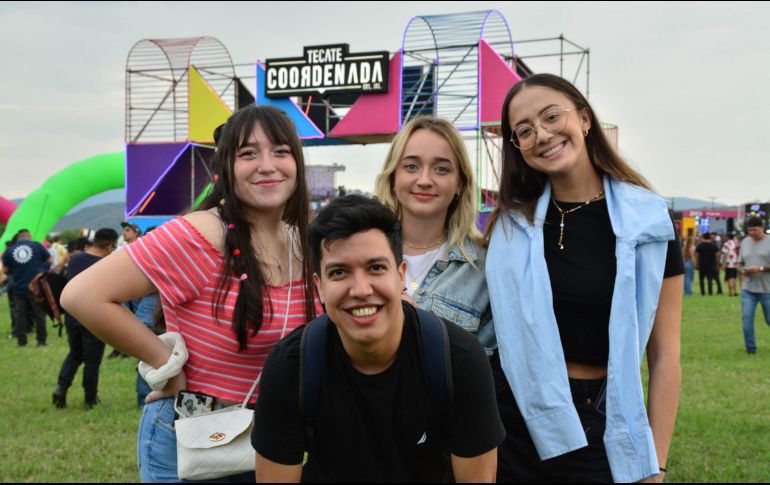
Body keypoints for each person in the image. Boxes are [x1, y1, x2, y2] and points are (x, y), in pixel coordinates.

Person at [62, 105, 320, 482]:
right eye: (249, 153)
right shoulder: (199, 235)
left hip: (273, 442)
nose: (267, 165)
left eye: (280, 151)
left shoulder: (303, 241)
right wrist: (165, 364)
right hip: (194, 439)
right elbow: (81, 295)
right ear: (225, 168)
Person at [485, 73, 683, 483]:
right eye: (525, 130)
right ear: (518, 147)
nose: (542, 134)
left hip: (600, 415)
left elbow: (665, 354)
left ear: (585, 120)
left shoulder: (648, 221)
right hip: (512, 417)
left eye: (551, 116)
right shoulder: (510, 226)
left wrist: (657, 463)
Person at [251, 195, 504, 482]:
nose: (360, 290)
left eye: (375, 268)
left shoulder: (458, 359)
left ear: (400, 276)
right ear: (319, 287)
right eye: (339, 272)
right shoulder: (291, 366)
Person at [374, 117, 494, 354]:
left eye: (441, 169)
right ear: (393, 177)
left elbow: (488, 365)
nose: (424, 180)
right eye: (411, 166)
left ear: (459, 183)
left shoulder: (485, 266)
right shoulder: (360, 253)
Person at [52, 228, 118, 409]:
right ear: (110, 246)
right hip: (94, 318)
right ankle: (90, 399)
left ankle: (61, 388)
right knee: (92, 361)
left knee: (75, 353)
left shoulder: (76, 258)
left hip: (72, 315)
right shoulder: (105, 264)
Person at [2, 229, 52, 347]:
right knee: (39, 314)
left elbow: (5, 269)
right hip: (36, 287)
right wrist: (42, 270)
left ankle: (21, 341)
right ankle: (41, 341)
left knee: (20, 314)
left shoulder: (10, 249)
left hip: (19, 287)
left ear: (18, 238)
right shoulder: (37, 246)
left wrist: (14, 270)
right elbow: (50, 260)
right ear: (29, 237)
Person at [738, 217, 770, 354]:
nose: (752, 233)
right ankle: (750, 348)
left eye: (754, 230)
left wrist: (760, 268)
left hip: (767, 289)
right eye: (749, 230)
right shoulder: (745, 242)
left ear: (762, 227)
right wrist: (742, 270)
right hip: (748, 289)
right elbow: (740, 263)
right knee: (747, 319)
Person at [721, 231, 740, 296]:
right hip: (735, 263)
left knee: (730, 277)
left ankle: (730, 292)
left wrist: (723, 264)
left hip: (728, 263)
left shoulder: (726, 244)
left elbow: (725, 254)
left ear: (727, 237)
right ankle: (735, 291)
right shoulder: (736, 243)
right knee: (734, 277)